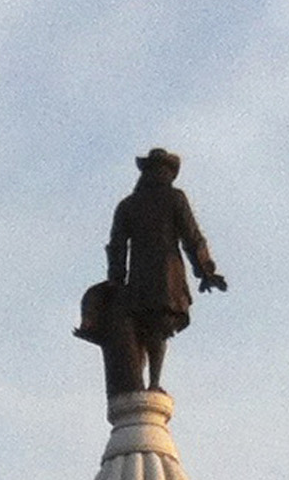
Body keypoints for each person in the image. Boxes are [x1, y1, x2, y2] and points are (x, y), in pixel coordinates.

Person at [80, 148, 226, 397]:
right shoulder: (173, 198)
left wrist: (116, 278)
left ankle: (149, 382)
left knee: (147, 326)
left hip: (141, 273)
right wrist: (205, 270)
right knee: (157, 327)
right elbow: (193, 238)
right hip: (166, 272)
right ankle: (152, 382)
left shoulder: (129, 204)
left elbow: (117, 246)